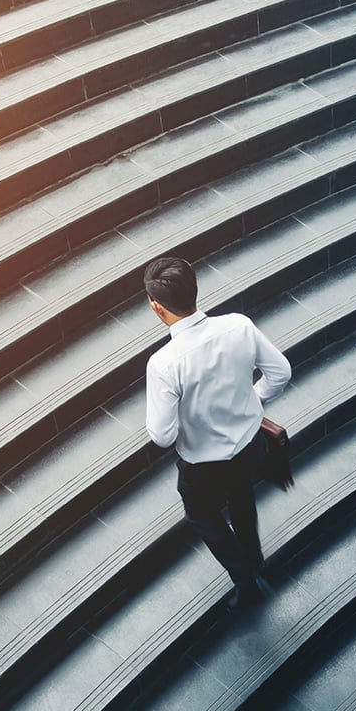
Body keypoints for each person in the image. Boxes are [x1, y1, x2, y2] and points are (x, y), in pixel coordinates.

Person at [143, 257, 291, 611]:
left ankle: (245, 579)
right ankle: (255, 558)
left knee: (202, 515)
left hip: (204, 465)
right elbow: (280, 373)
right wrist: (251, 399)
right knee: (242, 497)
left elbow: (161, 435)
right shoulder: (237, 326)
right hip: (249, 446)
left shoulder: (164, 363)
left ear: (157, 308)